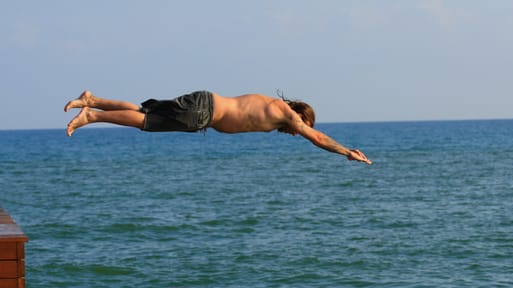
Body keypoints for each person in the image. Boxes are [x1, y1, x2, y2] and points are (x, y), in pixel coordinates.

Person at [65, 90, 372, 164]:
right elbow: (315, 137)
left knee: (146, 111)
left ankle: (92, 99)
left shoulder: (271, 105)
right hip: (204, 113)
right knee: (146, 122)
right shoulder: (288, 115)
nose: (297, 133)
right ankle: (92, 115)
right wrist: (346, 152)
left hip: (204, 105)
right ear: (301, 118)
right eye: (301, 127)